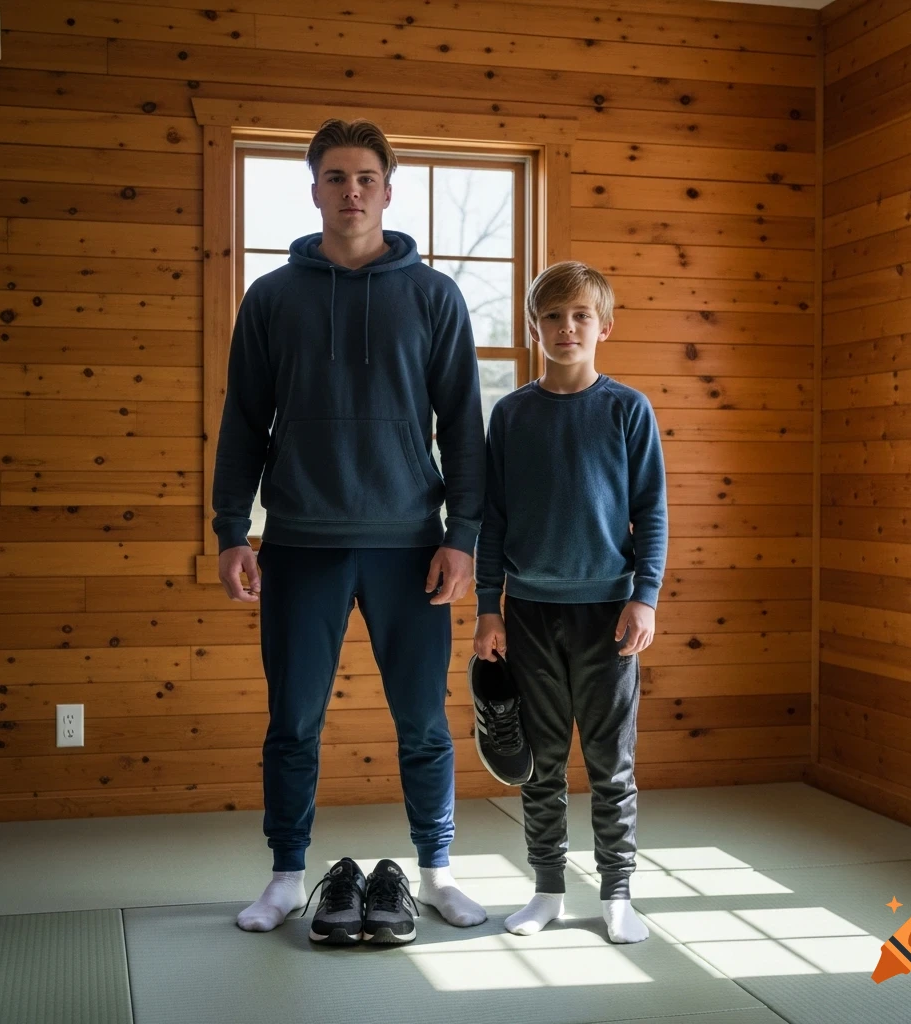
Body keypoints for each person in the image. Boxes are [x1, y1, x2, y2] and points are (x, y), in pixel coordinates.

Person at [212, 118, 487, 937]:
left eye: (365, 177)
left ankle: (436, 872)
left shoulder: (434, 296)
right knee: (292, 722)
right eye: (336, 177)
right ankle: (287, 875)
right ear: (315, 190)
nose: (352, 191)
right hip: (298, 540)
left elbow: (464, 425)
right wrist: (233, 528)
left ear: (387, 191)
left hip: (410, 545)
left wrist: (464, 535)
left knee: (423, 723)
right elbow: (243, 421)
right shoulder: (271, 298)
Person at [473, 261, 668, 944]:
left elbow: (653, 512)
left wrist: (644, 598)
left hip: (610, 616)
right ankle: (548, 889)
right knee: (542, 764)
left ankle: (618, 894)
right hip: (527, 613)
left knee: (612, 764)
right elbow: (492, 520)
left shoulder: (627, 409)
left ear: (604, 326)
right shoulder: (513, 414)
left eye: (581, 315)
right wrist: (487, 609)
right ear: (534, 327)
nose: (567, 327)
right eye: (553, 316)